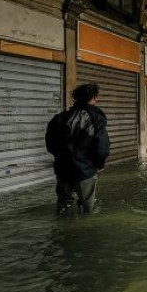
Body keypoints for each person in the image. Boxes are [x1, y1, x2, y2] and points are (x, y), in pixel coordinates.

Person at [46, 83, 110, 214]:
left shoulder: (59, 119)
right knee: (87, 208)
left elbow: (50, 144)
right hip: (85, 171)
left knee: (63, 205)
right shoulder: (95, 119)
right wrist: (100, 164)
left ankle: (62, 229)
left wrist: (61, 158)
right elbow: (101, 147)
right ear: (93, 98)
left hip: (63, 170)